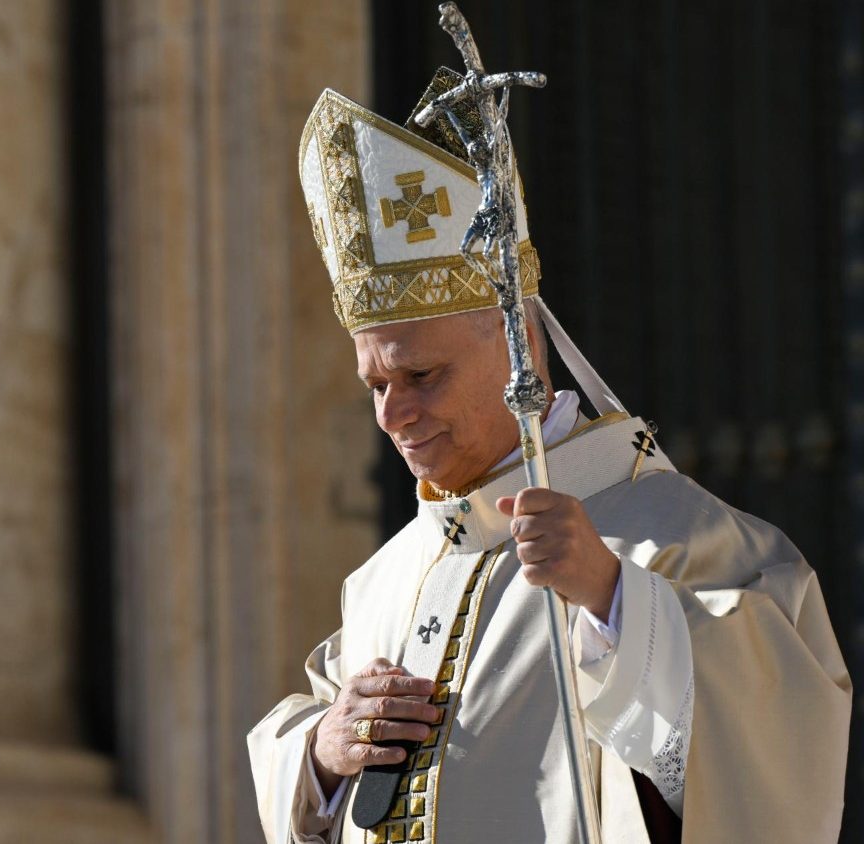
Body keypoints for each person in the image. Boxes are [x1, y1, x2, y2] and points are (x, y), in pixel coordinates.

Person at [248, 80, 851, 843]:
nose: (392, 415)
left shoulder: (675, 537)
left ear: (519, 343)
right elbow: (313, 779)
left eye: (421, 375)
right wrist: (321, 757)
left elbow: (780, 757)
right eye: (375, 384)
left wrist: (614, 601)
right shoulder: (381, 582)